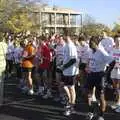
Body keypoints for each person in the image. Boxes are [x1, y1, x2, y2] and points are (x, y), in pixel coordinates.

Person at [86, 36, 115, 120]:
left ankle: (101, 115)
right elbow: (89, 60)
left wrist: (106, 74)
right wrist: (88, 67)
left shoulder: (102, 52)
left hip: (100, 75)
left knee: (101, 97)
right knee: (89, 95)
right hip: (91, 75)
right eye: (89, 43)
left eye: (91, 44)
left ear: (96, 44)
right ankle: (90, 112)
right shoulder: (91, 51)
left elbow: (112, 62)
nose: (90, 45)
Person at [60, 32, 79, 116]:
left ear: (68, 36)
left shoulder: (71, 46)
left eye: (63, 35)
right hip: (66, 71)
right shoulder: (66, 45)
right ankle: (70, 103)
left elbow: (73, 60)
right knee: (64, 86)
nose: (62, 37)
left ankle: (71, 107)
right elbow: (65, 58)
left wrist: (64, 67)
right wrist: (61, 64)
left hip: (71, 71)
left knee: (71, 88)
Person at [110, 35, 120, 112]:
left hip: (119, 69)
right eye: (117, 41)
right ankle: (117, 100)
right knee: (115, 86)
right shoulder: (113, 49)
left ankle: (118, 102)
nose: (118, 42)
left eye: (119, 41)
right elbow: (110, 58)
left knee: (119, 86)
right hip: (113, 69)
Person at [0, 32, 8, 105]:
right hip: (2, 66)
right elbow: (6, 55)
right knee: (1, 84)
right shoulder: (4, 45)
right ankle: (0, 101)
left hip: (2, 65)